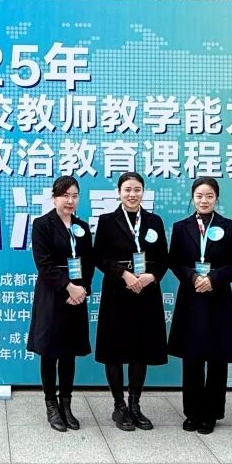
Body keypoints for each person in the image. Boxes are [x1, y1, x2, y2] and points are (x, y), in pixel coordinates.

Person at [92, 172, 168, 431]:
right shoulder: (107, 221)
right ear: (119, 192)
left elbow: (163, 258)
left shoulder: (154, 221)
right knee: (114, 350)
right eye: (127, 189)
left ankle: (135, 405)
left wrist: (151, 277)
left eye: (137, 189)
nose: (132, 194)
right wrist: (124, 274)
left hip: (146, 292)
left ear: (143, 192)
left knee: (141, 349)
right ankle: (119, 406)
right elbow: (99, 257)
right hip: (117, 291)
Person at [167, 177, 232, 435]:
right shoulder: (181, 227)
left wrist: (214, 279)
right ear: (193, 198)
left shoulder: (231, 227)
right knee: (193, 357)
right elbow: (175, 261)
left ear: (216, 198)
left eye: (209, 196)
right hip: (191, 296)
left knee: (218, 357)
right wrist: (192, 277)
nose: (204, 200)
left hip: (218, 297)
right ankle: (192, 412)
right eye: (199, 196)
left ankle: (211, 413)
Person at [27, 175, 94, 432]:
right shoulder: (42, 225)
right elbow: (43, 264)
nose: (70, 201)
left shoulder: (82, 227)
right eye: (65, 195)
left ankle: (66, 403)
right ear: (54, 197)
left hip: (77, 296)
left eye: (74, 196)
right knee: (50, 352)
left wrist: (82, 289)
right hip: (52, 294)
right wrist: (68, 286)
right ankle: (51, 405)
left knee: (69, 352)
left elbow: (89, 262)